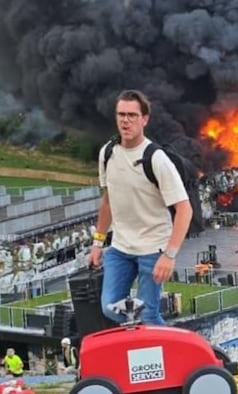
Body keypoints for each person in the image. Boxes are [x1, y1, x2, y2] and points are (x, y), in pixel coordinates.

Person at [89, 90, 193, 325]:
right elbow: (108, 201)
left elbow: (184, 209)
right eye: (121, 115)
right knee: (109, 308)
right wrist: (97, 243)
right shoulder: (107, 153)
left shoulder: (156, 159)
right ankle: (140, 348)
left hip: (152, 248)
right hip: (120, 248)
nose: (125, 121)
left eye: (132, 115)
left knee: (147, 314)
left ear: (144, 119)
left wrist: (169, 255)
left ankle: (167, 356)